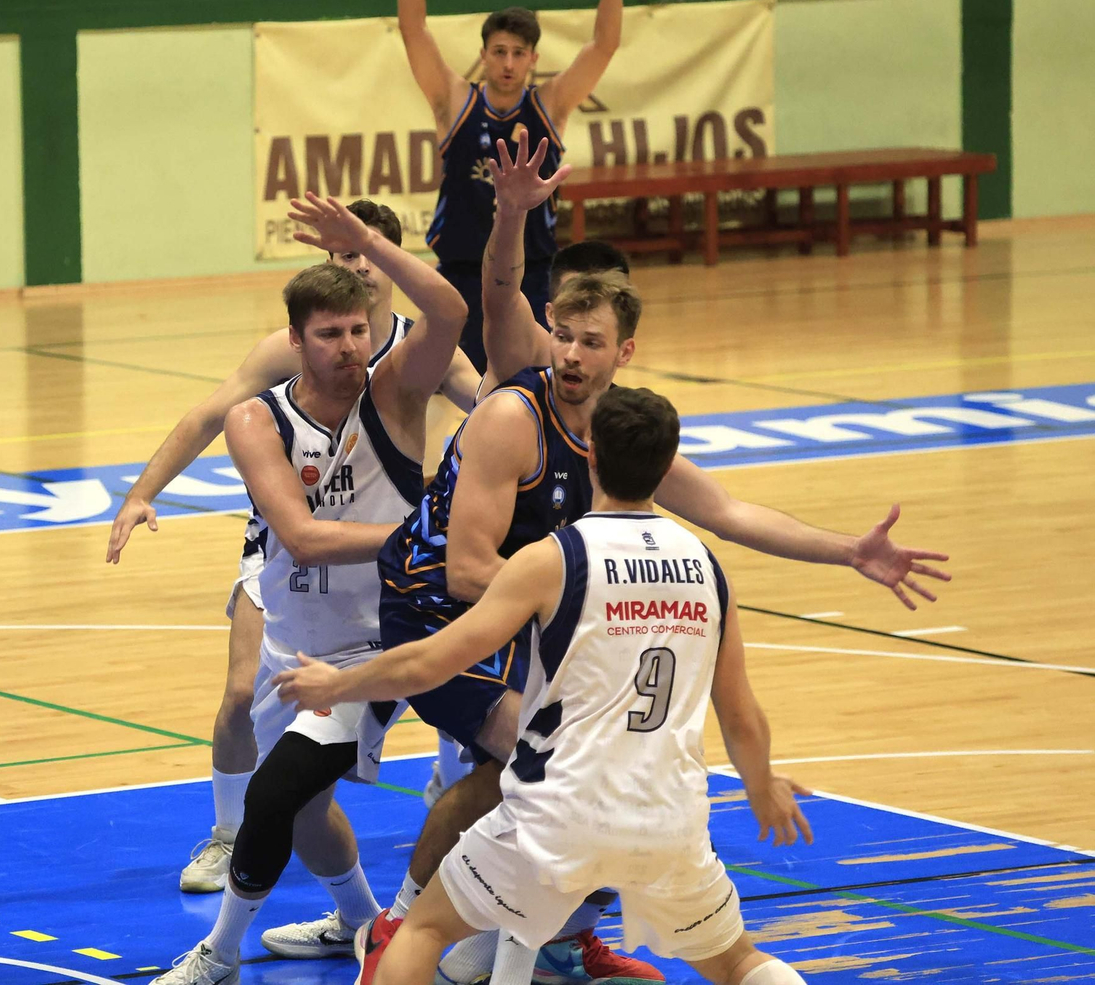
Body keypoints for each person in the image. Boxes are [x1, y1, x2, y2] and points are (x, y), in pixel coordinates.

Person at [366, 135, 951, 983]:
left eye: (589, 342)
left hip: (532, 596)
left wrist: (849, 552)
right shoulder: (513, 409)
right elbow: (466, 569)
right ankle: (401, 919)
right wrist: (512, 215)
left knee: (603, 765)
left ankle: (556, 933)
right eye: (562, 335)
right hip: (435, 602)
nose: (569, 354)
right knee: (528, 754)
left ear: (622, 353)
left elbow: (728, 510)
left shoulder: (617, 430)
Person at [274, 385, 814, 985]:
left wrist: (336, 683)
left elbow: (430, 661)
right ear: (667, 466)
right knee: (739, 961)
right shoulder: (707, 569)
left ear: (589, 456)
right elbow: (742, 717)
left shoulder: (554, 557)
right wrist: (761, 785)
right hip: (671, 818)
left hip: (558, 814)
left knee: (422, 930)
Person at [106, 201, 480, 893]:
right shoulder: (291, 352)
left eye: (364, 254)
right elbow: (209, 416)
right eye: (340, 257)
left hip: (382, 570)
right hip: (292, 543)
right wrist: (141, 491)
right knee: (243, 695)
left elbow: (493, 401)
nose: (355, 269)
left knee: (463, 706)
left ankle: (455, 813)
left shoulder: (407, 359)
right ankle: (230, 836)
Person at [396, 0, 626, 370]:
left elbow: (604, 45)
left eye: (518, 53)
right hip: (461, 274)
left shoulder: (550, 106)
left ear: (533, 59)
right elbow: (413, 30)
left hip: (531, 276)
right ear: (483, 54)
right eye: (499, 51)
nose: (508, 62)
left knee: (531, 383)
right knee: (449, 391)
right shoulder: (454, 103)